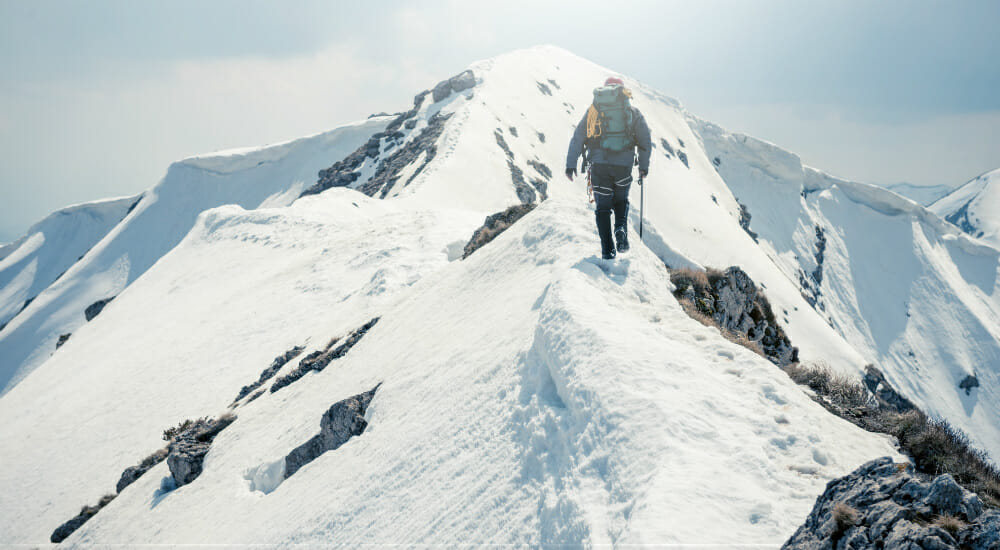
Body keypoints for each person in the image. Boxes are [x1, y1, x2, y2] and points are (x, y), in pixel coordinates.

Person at [566, 76, 651, 259]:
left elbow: (578, 136)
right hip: (623, 166)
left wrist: (570, 164)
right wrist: (643, 167)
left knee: (603, 208)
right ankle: (620, 228)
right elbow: (645, 140)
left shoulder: (594, 111)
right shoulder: (632, 112)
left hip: (599, 166)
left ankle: (608, 251)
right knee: (621, 201)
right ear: (622, 92)